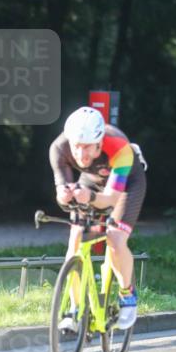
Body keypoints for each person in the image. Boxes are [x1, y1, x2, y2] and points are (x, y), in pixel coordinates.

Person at [49, 106, 148, 330]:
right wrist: (65, 196)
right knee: (75, 238)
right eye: (76, 147)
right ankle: (75, 309)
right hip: (91, 181)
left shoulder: (119, 148)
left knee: (114, 238)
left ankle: (127, 294)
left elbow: (111, 199)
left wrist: (90, 197)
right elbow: (61, 196)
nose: (81, 154)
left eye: (87, 148)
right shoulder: (58, 148)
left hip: (126, 186)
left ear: (99, 143)